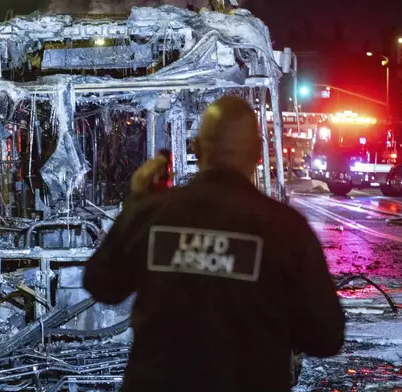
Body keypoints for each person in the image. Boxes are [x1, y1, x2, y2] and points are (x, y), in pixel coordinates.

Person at [83, 96, 345, 392]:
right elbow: (326, 336)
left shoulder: (154, 213)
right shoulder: (286, 229)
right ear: (258, 152)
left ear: (196, 148)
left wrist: (136, 204)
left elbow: (101, 284)